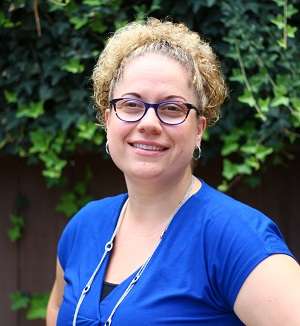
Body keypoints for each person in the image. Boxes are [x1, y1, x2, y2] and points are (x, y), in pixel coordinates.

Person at [46, 18, 300, 325]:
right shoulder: (84, 227)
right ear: (107, 119)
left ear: (198, 130)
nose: (149, 123)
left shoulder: (236, 239)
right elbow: (58, 309)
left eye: (172, 108)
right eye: (130, 104)